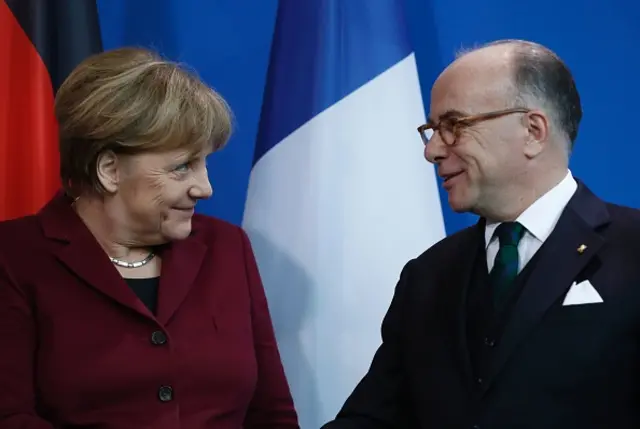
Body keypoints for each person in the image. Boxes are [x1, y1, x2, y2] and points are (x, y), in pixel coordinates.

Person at [322, 39, 640, 428]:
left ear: (533, 131)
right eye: (433, 130)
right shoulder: (427, 275)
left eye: (454, 125)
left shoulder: (633, 250)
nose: (432, 151)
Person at [0, 47, 299, 429]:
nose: (205, 188)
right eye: (182, 167)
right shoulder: (15, 256)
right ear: (109, 169)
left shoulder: (228, 248)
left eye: (205, 163)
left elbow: (271, 413)